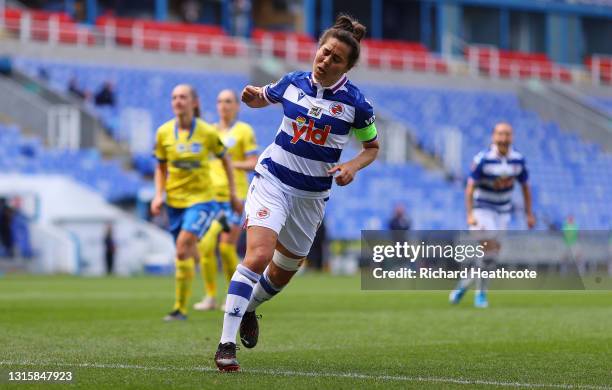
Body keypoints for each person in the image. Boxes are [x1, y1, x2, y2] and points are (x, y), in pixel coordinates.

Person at [214, 14, 379, 371]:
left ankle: (249, 308)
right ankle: (226, 344)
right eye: (324, 52)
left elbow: (372, 148)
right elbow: (264, 98)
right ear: (317, 50)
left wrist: (352, 166)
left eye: (336, 58)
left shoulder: (357, 105)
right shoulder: (293, 82)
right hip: (272, 181)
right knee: (257, 256)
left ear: (347, 66)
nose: (325, 60)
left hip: (311, 197)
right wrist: (252, 97)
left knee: (285, 270)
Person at [151, 84, 241, 322]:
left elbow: (226, 161)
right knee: (183, 254)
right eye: (174, 97)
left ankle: (181, 308)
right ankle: (187, 305)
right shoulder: (163, 133)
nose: (178, 101)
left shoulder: (207, 132)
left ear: (194, 102)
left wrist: (232, 194)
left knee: (184, 246)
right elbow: (160, 167)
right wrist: (158, 194)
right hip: (174, 202)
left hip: (202, 200)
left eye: (182, 97)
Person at [449, 122, 535, 308]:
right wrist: (470, 214)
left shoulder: (518, 160)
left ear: (512, 137)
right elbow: (470, 187)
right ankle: (481, 294)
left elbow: (526, 187)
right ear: (493, 137)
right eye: (500, 134)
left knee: (491, 256)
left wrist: (529, 214)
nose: (503, 138)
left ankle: (464, 285)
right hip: (482, 210)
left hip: (503, 212)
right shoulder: (483, 159)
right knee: (489, 248)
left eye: (507, 134)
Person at [194, 89, 259, 311]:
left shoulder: (243, 131)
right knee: (205, 245)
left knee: (225, 247)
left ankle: (237, 295)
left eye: (229, 101)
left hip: (235, 197)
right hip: (212, 199)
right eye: (220, 101)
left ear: (237, 106)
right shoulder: (210, 131)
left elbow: (254, 162)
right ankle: (211, 296)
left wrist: (231, 164)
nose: (224, 105)